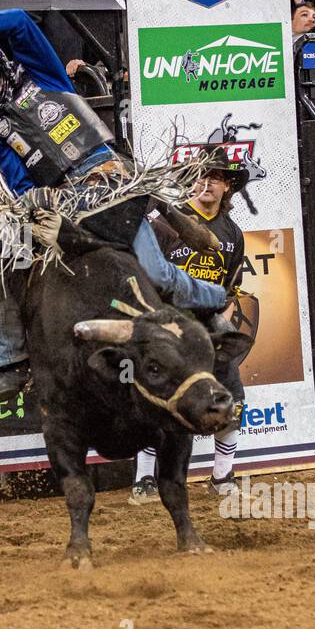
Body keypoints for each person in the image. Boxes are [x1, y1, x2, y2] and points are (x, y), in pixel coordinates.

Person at [0, 9, 227, 402]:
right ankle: (13, 362)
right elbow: (17, 184)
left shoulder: (44, 75)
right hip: (61, 204)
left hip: (106, 181)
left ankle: (215, 301)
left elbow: (18, 20)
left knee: (157, 273)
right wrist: (29, 202)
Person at [129, 147, 250, 505]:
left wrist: (218, 330)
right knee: (157, 400)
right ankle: (143, 480)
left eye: (215, 176)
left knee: (233, 396)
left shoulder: (233, 233)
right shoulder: (168, 223)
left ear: (228, 186)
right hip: (169, 324)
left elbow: (230, 289)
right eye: (200, 174)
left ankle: (222, 474)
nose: (206, 182)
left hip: (209, 324)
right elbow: (147, 277)